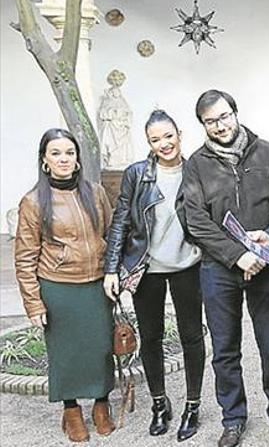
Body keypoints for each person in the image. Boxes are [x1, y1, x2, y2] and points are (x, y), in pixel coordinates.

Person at [180, 89, 269, 447]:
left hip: (266, 264)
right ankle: (233, 418)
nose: (220, 125)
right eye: (211, 121)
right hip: (220, 268)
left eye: (224, 116)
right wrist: (236, 254)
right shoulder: (196, 164)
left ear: (235, 113)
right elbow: (194, 219)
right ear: (203, 125)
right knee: (225, 350)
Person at [103, 110, 205, 440]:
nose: (163, 144)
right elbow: (120, 221)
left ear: (180, 134)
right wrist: (111, 269)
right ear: (148, 143)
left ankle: (192, 405)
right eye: (154, 140)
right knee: (152, 337)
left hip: (188, 266)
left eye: (168, 136)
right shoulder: (137, 174)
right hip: (147, 268)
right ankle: (160, 405)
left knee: (192, 337)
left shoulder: (196, 170)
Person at [14, 128, 115, 443]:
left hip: (96, 286)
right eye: (56, 153)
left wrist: (116, 275)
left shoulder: (96, 192)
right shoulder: (32, 201)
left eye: (69, 152)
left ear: (77, 158)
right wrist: (34, 303)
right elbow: (25, 257)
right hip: (58, 288)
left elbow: (111, 237)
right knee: (66, 353)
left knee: (101, 349)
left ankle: (101, 405)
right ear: (45, 160)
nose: (63, 159)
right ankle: (71, 410)